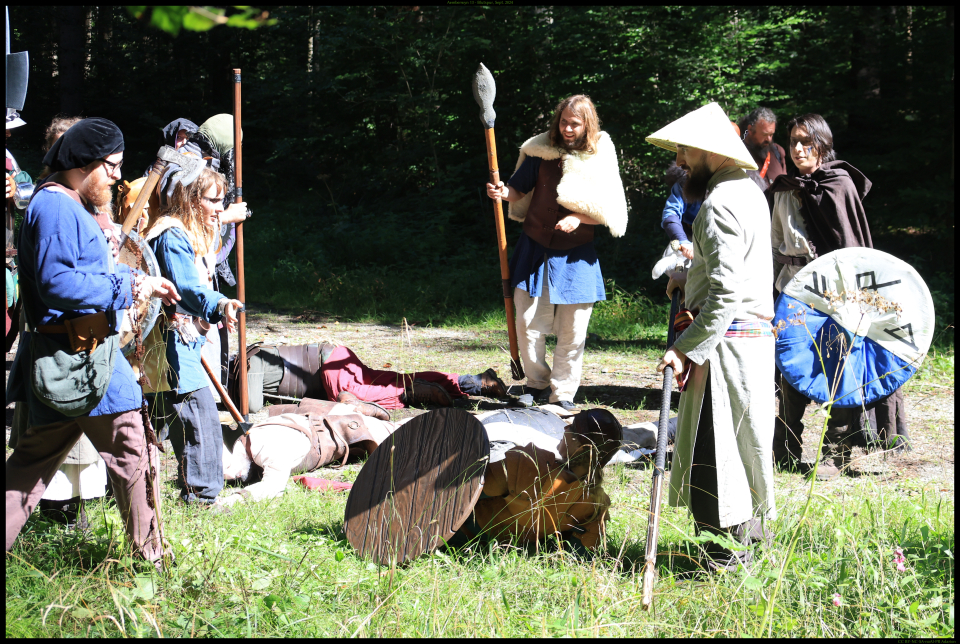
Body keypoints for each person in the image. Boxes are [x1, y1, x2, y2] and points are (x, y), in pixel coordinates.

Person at [5, 118, 179, 569]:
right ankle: (153, 561)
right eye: (113, 165)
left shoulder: (63, 203)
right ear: (84, 162)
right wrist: (126, 287)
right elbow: (58, 283)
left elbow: (84, 272)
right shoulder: (56, 207)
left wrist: (137, 280)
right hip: (80, 362)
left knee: (29, 466)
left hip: (75, 359)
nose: (119, 175)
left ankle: (152, 556)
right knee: (133, 452)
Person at [646, 102, 776, 572]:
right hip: (746, 342)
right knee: (742, 442)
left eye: (684, 151)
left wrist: (682, 350)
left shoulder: (719, 205)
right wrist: (688, 273)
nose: (680, 161)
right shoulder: (747, 191)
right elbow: (727, 272)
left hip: (725, 347)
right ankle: (746, 547)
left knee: (720, 446)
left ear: (707, 151)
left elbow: (725, 295)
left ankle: (733, 556)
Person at [767, 113, 908, 478]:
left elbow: (853, 247)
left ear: (822, 144)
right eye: (793, 141)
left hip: (839, 298)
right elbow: (774, 244)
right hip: (794, 292)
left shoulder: (838, 183)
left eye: (806, 141)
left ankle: (836, 452)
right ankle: (784, 448)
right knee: (790, 367)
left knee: (840, 371)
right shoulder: (783, 188)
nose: (798, 148)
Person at [486, 95, 628, 411]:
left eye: (574, 123)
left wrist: (579, 217)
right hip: (534, 251)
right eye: (563, 121)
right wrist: (501, 192)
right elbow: (517, 190)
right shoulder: (541, 153)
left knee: (572, 330)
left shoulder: (598, 158)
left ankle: (562, 392)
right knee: (526, 324)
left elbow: (610, 211)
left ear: (587, 124)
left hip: (577, 256)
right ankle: (537, 384)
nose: (566, 128)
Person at [142, 166, 242, 509]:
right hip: (169, 345)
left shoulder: (190, 231)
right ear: (191, 198)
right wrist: (220, 303)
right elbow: (185, 288)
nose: (219, 207)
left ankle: (132, 490)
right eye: (213, 200)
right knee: (198, 418)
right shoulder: (171, 236)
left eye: (221, 199)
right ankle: (200, 498)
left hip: (183, 341)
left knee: (151, 422)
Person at [455, 408, 622, 555]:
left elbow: (459, 493)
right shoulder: (595, 503)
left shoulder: (528, 464)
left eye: (571, 427)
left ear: (579, 445)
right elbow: (580, 554)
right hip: (509, 550)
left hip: (459, 538)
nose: (565, 428)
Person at [219, 397, 406, 506]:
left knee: (405, 435)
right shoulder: (247, 444)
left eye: (228, 468)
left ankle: (355, 408)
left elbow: (273, 488)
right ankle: (351, 405)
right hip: (318, 418)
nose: (230, 476)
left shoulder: (270, 447)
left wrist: (233, 500)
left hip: (344, 427)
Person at [233, 341, 509, 413]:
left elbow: (252, 406)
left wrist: (229, 386)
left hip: (328, 364)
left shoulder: (252, 358)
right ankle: (473, 382)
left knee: (354, 397)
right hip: (335, 359)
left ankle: (410, 394)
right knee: (391, 379)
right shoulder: (250, 362)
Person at [738, 107, 787, 191]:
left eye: (771, 134)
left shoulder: (777, 151)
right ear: (750, 129)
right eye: (764, 134)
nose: (769, 139)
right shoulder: (738, 154)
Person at [660, 161, 701, 260]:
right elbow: (670, 213)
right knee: (672, 268)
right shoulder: (684, 183)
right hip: (689, 233)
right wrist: (682, 241)